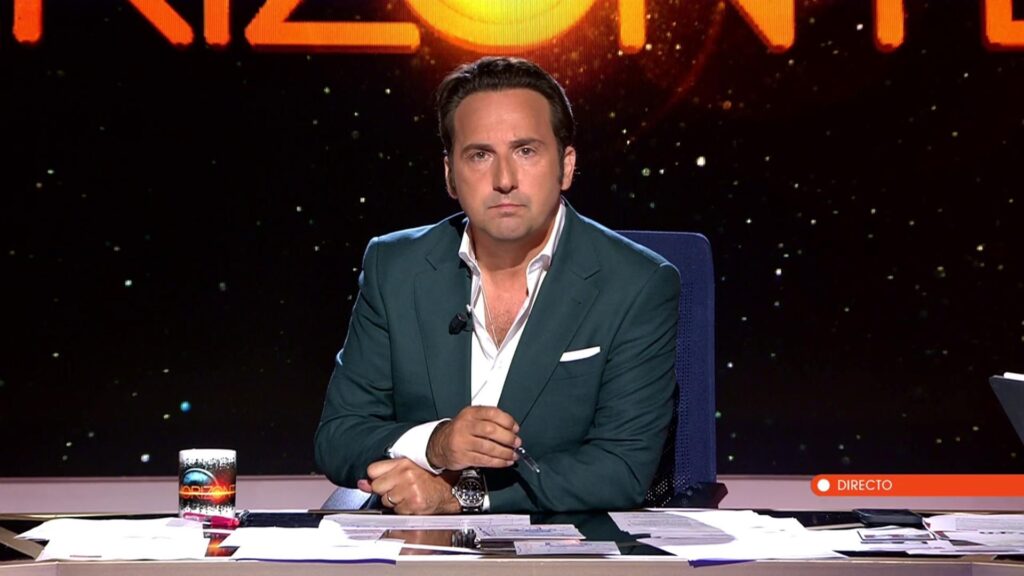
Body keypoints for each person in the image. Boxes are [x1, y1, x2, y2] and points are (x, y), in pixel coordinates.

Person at [314, 56, 679, 514]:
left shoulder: (637, 284)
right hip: (415, 540)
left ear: (566, 166)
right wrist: (436, 444)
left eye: (526, 151)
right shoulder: (395, 268)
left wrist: (461, 498)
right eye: (480, 155)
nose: (504, 180)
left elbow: (621, 468)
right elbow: (339, 436)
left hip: (560, 541)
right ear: (450, 175)